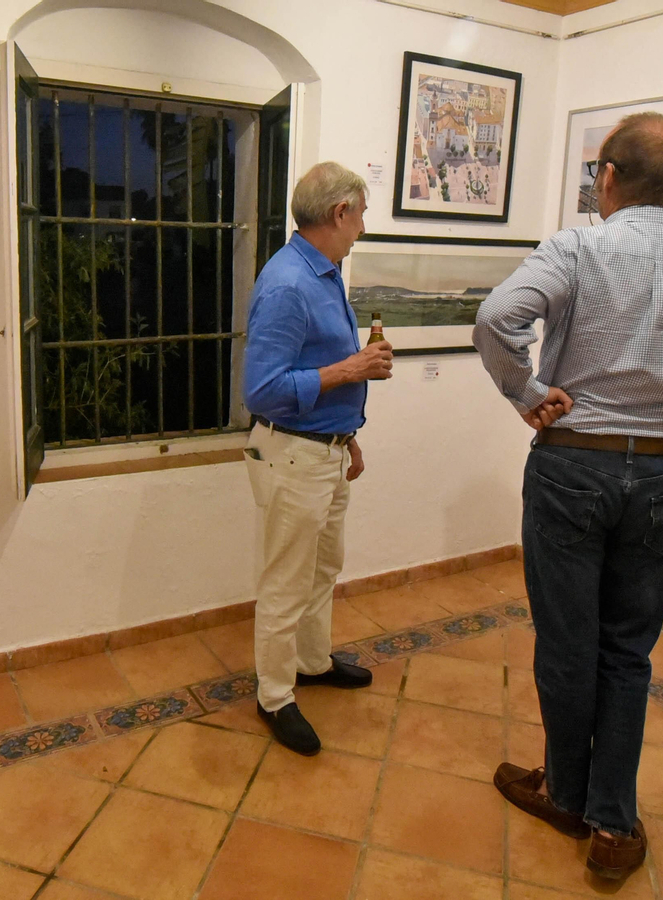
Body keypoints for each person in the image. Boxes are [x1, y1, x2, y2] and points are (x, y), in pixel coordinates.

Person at [473, 112, 663, 879]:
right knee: (628, 650)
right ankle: (614, 821)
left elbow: (499, 317)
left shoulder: (577, 247)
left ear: (607, 175)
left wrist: (528, 391)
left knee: (568, 642)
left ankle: (568, 794)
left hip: (573, 464)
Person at [241, 161, 393, 756]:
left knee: (323, 567)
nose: (361, 228)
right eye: (359, 217)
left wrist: (346, 432)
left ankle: (311, 661)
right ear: (339, 213)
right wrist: (352, 368)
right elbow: (262, 391)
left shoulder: (324, 272)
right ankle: (275, 696)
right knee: (287, 580)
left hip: (323, 450)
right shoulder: (288, 284)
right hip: (293, 457)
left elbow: (312, 372)